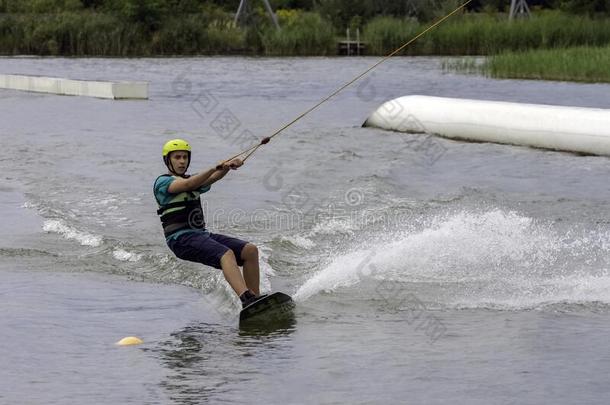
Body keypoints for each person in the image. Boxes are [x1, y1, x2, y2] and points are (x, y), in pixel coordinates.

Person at [153, 139, 263, 308]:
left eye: (184, 157)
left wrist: (228, 166)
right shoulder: (163, 183)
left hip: (200, 235)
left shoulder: (194, 180)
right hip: (180, 239)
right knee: (225, 253)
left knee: (250, 251)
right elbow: (189, 184)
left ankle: (257, 299)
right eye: (177, 157)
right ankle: (247, 300)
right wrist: (214, 167)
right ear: (168, 160)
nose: (182, 161)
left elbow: (212, 178)